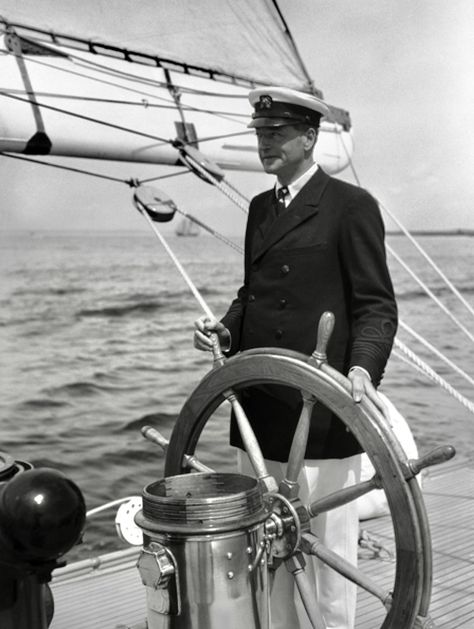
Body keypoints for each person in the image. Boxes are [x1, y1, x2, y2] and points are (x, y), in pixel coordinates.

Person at [193, 86, 398, 629]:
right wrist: (225, 329)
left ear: (310, 138)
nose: (265, 144)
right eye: (260, 134)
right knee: (267, 554)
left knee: (325, 565)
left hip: (323, 413)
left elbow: (376, 306)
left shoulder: (352, 207)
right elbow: (251, 295)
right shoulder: (261, 208)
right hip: (261, 411)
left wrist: (361, 371)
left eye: (277, 134)